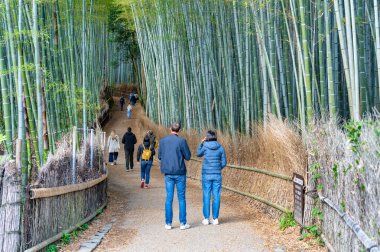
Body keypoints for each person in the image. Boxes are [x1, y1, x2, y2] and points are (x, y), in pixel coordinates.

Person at [158, 122, 191, 230]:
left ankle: (168, 223)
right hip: (180, 172)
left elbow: (159, 156)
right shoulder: (182, 141)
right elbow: (188, 156)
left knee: (169, 198)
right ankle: (182, 223)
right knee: (181, 198)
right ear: (179, 130)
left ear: (170, 129)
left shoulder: (163, 141)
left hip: (168, 173)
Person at [196, 130, 227, 226]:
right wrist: (218, 168)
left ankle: (206, 218)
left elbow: (198, 154)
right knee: (216, 195)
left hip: (206, 175)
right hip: (217, 175)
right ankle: (215, 218)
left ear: (207, 138)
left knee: (206, 195)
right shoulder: (221, 147)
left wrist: (201, 143)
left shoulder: (205, 146)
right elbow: (224, 162)